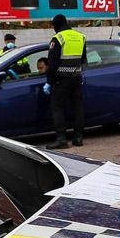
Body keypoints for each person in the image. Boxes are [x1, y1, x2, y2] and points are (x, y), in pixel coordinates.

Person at [44, 14, 87, 149]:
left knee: (57, 108)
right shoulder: (81, 37)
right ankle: (78, 138)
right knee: (77, 108)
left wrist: (49, 82)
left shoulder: (58, 39)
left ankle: (61, 139)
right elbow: (83, 60)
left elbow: (52, 63)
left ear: (56, 25)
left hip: (61, 80)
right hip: (76, 78)